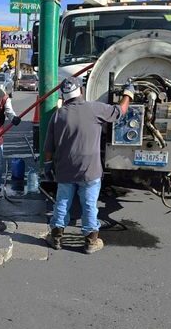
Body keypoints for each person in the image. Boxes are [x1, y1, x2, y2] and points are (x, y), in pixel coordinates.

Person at [43, 77, 133, 254]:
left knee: (62, 202)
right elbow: (121, 111)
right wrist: (128, 93)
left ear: (63, 95)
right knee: (89, 204)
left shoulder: (58, 115)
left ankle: (56, 237)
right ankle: (91, 241)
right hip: (90, 171)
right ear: (81, 91)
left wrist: (47, 166)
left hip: (65, 170)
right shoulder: (95, 109)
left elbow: (48, 148)